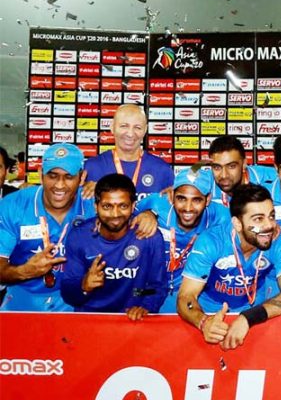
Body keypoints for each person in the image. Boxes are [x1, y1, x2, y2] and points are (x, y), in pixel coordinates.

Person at [177, 184, 281, 349]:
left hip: (256, 313)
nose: (269, 225)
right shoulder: (211, 241)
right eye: (258, 219)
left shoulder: (278, 240)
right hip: (210, 313)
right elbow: (185, 297)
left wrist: (248, 318)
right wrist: (204, 322)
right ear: (237, 224)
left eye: (271, 216)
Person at [0, 143, 94, 311]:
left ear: (82, 177)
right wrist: (25, 271)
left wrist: (150, 215)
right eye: (52, 176)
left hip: (79, 302)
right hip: (23, 300)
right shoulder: (12, 205)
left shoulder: (97, 206)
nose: (59, 185)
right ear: (40, 175)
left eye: (69, 176)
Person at [59, 173, 167, 317]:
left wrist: (146, 306)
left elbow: (157, 287)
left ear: (133, 206)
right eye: (107, 206)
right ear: (96, 207)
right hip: (90, 318)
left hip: (132, 320)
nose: (115, 214)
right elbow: (68, 293)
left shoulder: (149, 236)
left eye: (123, 206)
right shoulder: (79, 236)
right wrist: (84, 285)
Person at [137, 169, 230, 312]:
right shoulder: (156, 204)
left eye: (197, 200)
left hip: (194, 292)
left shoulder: (222, 217)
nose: (188, 208)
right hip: (148, 290)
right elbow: (119, 216)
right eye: (181, 198)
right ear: (172, 195)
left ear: (208, 199)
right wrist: (146, 214)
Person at [83, 104, 174, 200]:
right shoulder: (91, 167)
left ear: (145, 130)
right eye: (124, 126)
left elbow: (169, 211)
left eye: (137, 127)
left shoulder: (162, 169)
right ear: (112, 127)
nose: (130, 134)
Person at [200, 136, 278, 207]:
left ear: (244, 164)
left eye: (231, 166)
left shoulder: (273, 178)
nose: (224, 175)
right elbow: (190, 173)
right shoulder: (203, 182)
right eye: (217, 167)